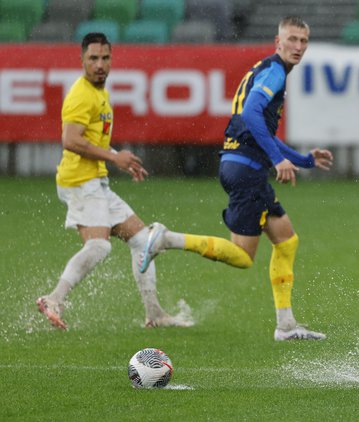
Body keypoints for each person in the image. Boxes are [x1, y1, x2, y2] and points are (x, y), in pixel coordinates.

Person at [141, 17, 333, 341]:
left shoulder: (266, 70)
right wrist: (278, 159)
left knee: (286, 240)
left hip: (242, 165)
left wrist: (303, 159)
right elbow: (250, 115)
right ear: (278, 42)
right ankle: (166, 239)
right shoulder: (273, 72)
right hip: (247, 170)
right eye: (293, 39)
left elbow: (261, 129)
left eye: (304, 40)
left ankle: (286, 325)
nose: (299, 46)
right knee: (243, 256)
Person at [35, 33, 242, 330]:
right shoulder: (81, 95)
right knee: (99, 247)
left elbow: (91, 139)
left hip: (95, 180)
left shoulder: (100, 93)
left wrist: (119, 158)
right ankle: (54, 299)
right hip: (79, 182)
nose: (100, 64)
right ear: (82, 60)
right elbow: (70, 140)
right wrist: (113, 157)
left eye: (105, 58)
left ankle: (154, 314)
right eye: (93, 58)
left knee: (143, 242)